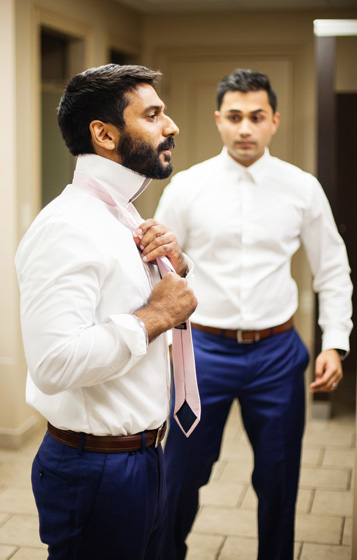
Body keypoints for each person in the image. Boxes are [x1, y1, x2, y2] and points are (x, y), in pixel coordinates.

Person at [155, 68, 353, 560]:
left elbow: (332, 268)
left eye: (257, 117)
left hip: (277, 355)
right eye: (236, 117)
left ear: (274, 122)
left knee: (279, 479)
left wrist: (334, 342)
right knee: (180, 475)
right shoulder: (187, 186)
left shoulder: (302, 188)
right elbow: (158, 271)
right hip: (201, 353)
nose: (246, 128)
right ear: (218, 120)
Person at [15, 63, 197, 560]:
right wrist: (155, 316)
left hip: (144, 455)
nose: (172, 126)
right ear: (104, 134)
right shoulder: (67, 226)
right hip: (95, 469)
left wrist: (174, 268)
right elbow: (53, 364)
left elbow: (133, 301)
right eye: (155, 114)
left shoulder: (124, 214)